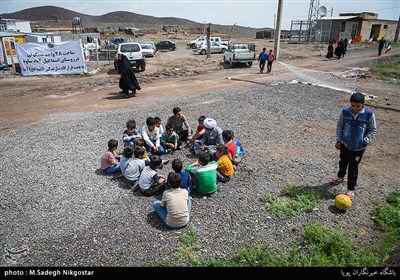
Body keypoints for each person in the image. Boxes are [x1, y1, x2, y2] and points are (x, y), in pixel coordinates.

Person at [330, 92, 377, 199]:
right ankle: (340, 176)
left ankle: (351, 188)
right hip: (345, 144)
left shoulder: (369, 114)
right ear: (350, 104)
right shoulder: (345, 112)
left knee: (353, 167)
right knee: (343, 161)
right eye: (353, 105)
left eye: (358, 106)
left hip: (359, 147)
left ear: (363, 105)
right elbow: (340, 126)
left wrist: (366, 140)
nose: (355, 108)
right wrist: (339, 140)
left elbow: (372, 129)